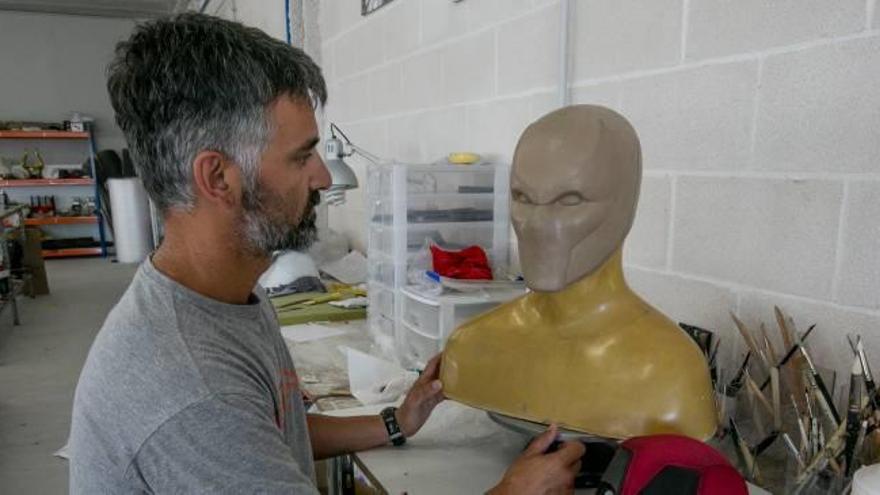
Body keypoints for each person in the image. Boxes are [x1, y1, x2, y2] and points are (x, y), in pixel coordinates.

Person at [69, 12, 584, 495]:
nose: (320, 175)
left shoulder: (227, 293)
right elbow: (231, 424)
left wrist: (397, 420)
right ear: (217, 178)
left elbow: (270, 430)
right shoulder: (193, 393)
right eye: (301, 156)